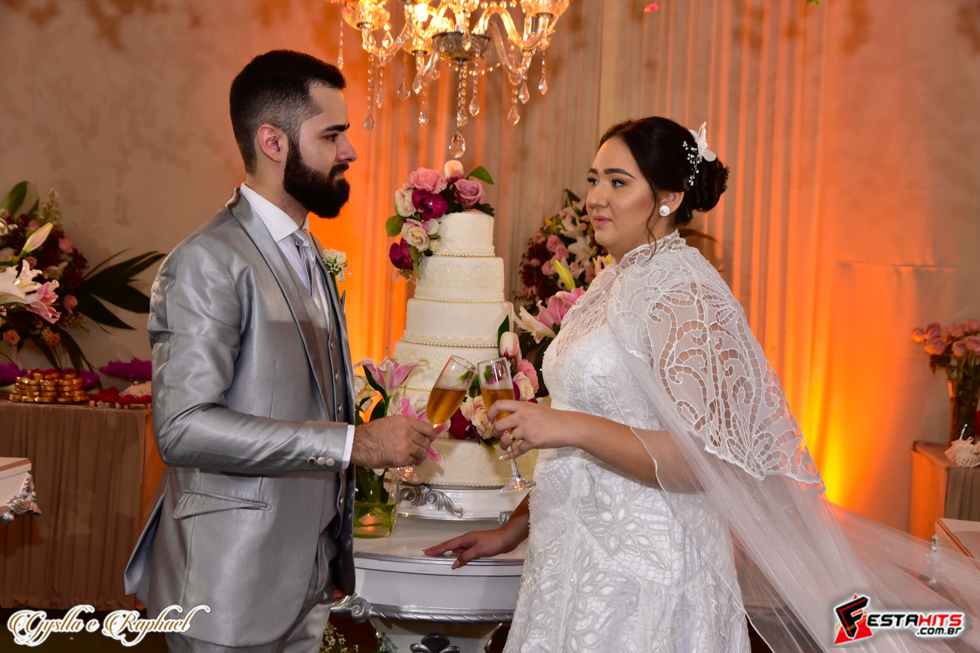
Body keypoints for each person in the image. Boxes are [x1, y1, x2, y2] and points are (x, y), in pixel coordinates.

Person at [426, 117, 980, 652]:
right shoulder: (614, 280)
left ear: (668, 198)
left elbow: (701, 459)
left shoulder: (683, 289)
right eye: (594, 179)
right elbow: (587, 436)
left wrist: (565, 426)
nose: (595, 197)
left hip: (646, 573)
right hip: (571, 556)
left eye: (618, 182)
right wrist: (513, 529)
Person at [124, 50, 436, 653]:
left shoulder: (307, 250)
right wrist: (353, 444)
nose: (349, 151)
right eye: (332, 135)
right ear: (273, 142)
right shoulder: (208, 260)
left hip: (303, 583)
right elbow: (184, 428)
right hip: (226, 588)